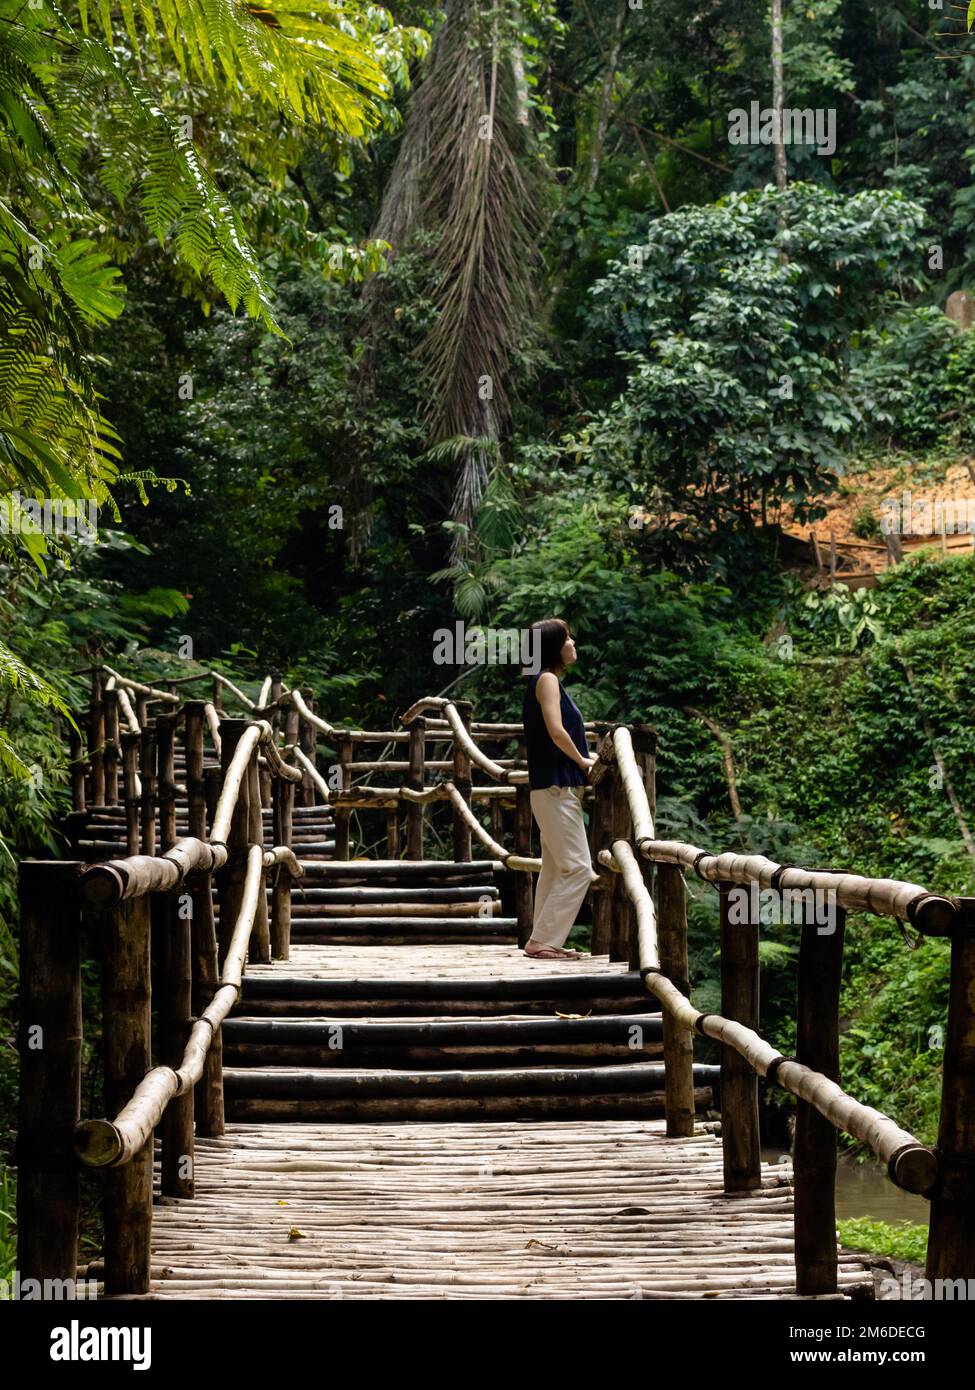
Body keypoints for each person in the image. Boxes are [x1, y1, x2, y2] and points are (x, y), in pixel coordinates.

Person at [520, 617, 597, 959]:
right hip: (556, 788)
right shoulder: (547, 680)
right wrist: (583, 760)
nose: (573, 642)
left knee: (554, 868)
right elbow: (555, 730)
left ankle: (542, 939)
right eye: (568, 638)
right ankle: (544, 942)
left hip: (550, 788)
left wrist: (582, 756)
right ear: (554, 646)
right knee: (579, 868)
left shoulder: (544, 679)